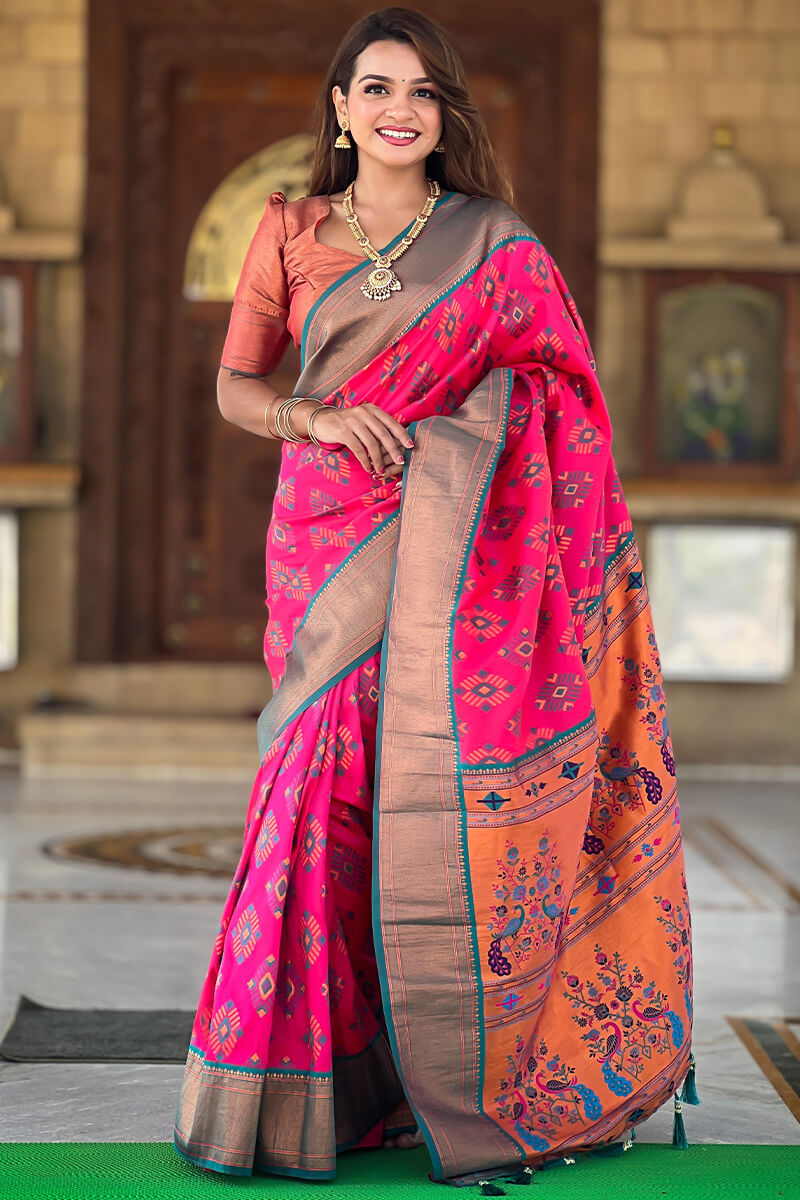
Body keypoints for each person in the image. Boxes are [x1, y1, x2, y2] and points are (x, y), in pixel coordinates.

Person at [173, 7, 695, 1189]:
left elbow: (559, 387)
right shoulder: (289, 230)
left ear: (442, 112)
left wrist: (459, 438)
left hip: (461, 541)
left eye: (419, 89)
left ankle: (449, 1079)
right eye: (374, 87)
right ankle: (309, 1087)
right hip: (323, 537)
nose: (397, 107)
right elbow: (237, 386)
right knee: (315, 783)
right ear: (341, 109)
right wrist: (311, 415)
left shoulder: (494, 242)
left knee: (419, 784)